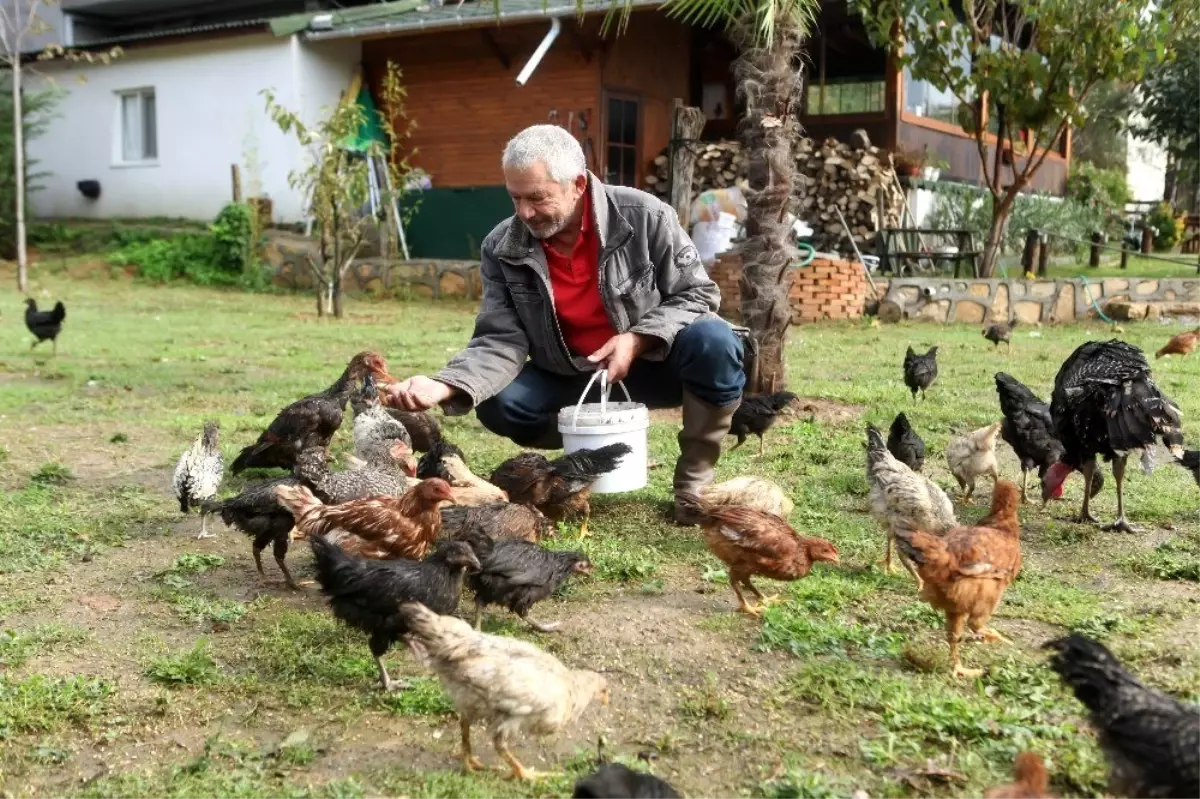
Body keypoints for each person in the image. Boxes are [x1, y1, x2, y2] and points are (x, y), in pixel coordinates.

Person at [386, 124, 745, 524]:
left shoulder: (646, 217)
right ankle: (584, 461)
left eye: (537, 198)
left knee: (715, 339)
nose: (524, 212)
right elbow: (500, 338)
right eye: (515, 198)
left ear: (576, 184)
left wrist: (638, 339)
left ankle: (692, 485)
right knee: (501, 404)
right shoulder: (501, 246)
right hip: (572, 377)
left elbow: (698, 294)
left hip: (656, 366)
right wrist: (446, 384)